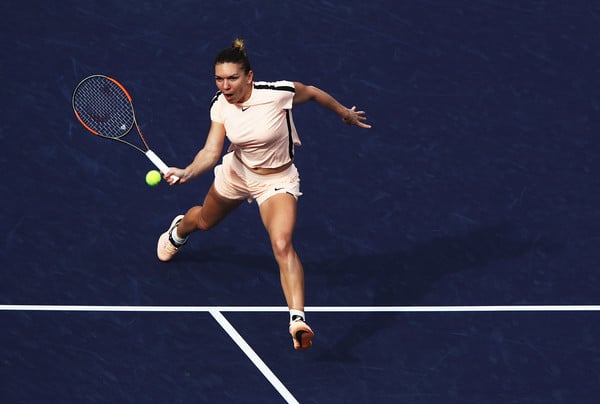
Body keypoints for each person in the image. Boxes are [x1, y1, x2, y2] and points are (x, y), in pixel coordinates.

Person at [157, 38, 371, 350]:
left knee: (282, 244)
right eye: (219, 79)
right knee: (204, 221)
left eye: (232, 78)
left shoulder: (276, 94)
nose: (225, 86)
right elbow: (210, 151)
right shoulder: (220, 107)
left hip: (277, 182)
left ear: (249, 76)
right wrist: (188, 171)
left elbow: (310, 91)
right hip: (237, 174)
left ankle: (297, 319)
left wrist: (344, 113)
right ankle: (179, 230)